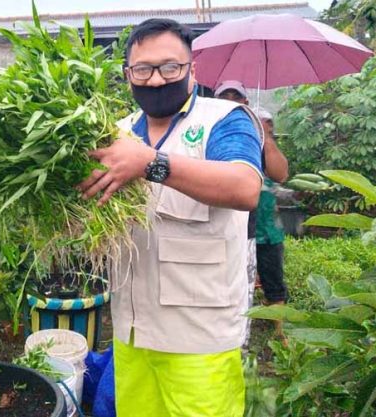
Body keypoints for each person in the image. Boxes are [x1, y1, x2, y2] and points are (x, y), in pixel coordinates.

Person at [77, 19, 263, 417]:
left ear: (192, 70)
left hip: (199, 338)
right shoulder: (117, 132)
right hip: (132, 331)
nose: (157, 80)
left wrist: (150, 162)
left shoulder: (224, 119)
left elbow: (245, 187)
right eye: (143, 70)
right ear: (128, 77)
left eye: (170, 68)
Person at [215, 82, 289, 345]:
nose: (232, 101)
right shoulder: (212, 133)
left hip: (261, 225)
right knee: (228, 283)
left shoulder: (256, 135)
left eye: (237, 97)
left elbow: (280, 173)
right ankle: (231, 333)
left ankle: (267, 334)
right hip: (224, 225)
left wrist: (265, 134)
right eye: (226, 97)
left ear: (246, 102)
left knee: (267, 279)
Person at [255, 109, 289, 308]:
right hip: (235, 228)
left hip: (267, 230)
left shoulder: (269, 148)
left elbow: (281, 175)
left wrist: (265, 136)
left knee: (274, 282)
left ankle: (279, 333)